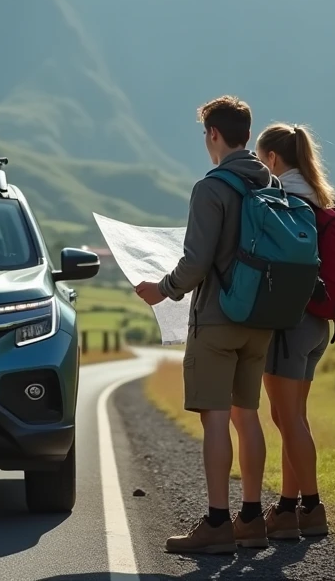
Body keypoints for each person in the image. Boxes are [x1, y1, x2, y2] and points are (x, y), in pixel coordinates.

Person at [135, 95, 275, 554]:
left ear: (213, 134)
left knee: (216, 419)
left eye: (205, 134)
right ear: (248, 135)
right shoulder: (269, 183)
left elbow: (195, 264)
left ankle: (217, 523)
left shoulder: (211, 188)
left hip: (217, 319)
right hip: (261, 318)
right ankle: (251, 518)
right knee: (247, 415)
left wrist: (163, 289)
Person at [252, 122, 335, 540]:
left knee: (289, 420)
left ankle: (311, 508)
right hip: (318, 323)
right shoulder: (322, 195)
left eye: (258, 156)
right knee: (291, 417)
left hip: (290, 323)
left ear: (271, 159)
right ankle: (287, 509)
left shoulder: (281, 198)